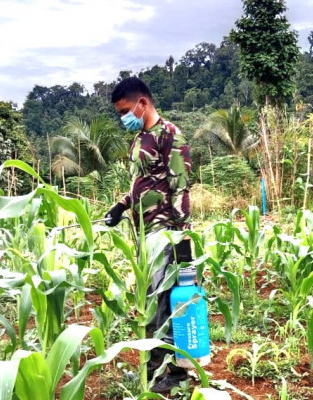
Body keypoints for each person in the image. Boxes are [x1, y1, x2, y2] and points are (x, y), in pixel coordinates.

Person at [104, 76, 193, 393]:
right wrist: (120, 205)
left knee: (164, 305)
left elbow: (180, 186)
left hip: (164, 232)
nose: (123, 117)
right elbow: (143, 183)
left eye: (126, 110)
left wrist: (183, 239)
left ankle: (176, 375)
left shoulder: (170, 134)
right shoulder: (140, 138)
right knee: (150, 304)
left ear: (142, 103)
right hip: (144, 233)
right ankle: (152, 370)